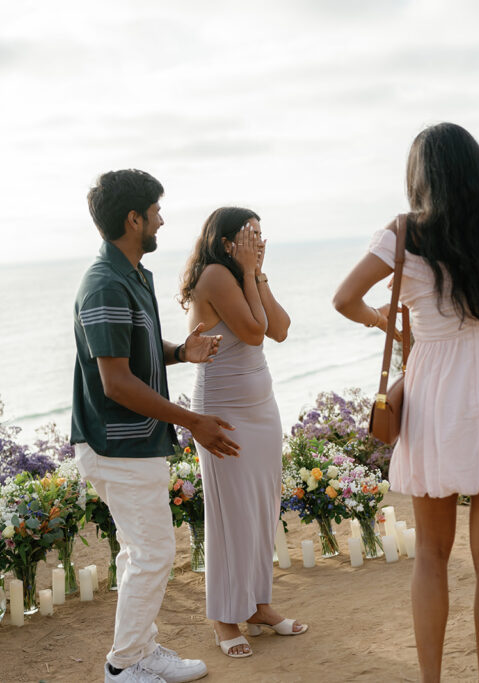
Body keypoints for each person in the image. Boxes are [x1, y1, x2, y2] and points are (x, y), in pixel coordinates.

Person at [332, 123, 479, 683]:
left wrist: (393, 325)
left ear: (420, 176)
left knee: (432, 555)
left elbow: (344, 297)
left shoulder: (403, 231)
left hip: (436, 385)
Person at [71, 169, 241, 683]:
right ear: (133, 218)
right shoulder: (105, 283)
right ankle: (124, 667)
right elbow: (116, 383)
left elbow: (134, 355)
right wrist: (193, 422)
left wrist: (180, 352)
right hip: (117, 444)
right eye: (156, 211)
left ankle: (139, 649)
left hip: (134, 444)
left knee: (141, 551)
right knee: (154, 553)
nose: (161, 219)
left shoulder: (131, 275)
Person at [178, 207, 307, 659]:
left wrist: (258, 275)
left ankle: (258, 606)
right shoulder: (215, 275)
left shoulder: (244, 275)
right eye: (249, 234)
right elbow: (254, 333)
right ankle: (224, 617)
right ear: (226, 241)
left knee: (261, 510)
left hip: (262, 411)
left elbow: (282, 329)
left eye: (260, 233)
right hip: (224, 412)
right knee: (231, 515)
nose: (258, 240)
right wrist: (250, 274)